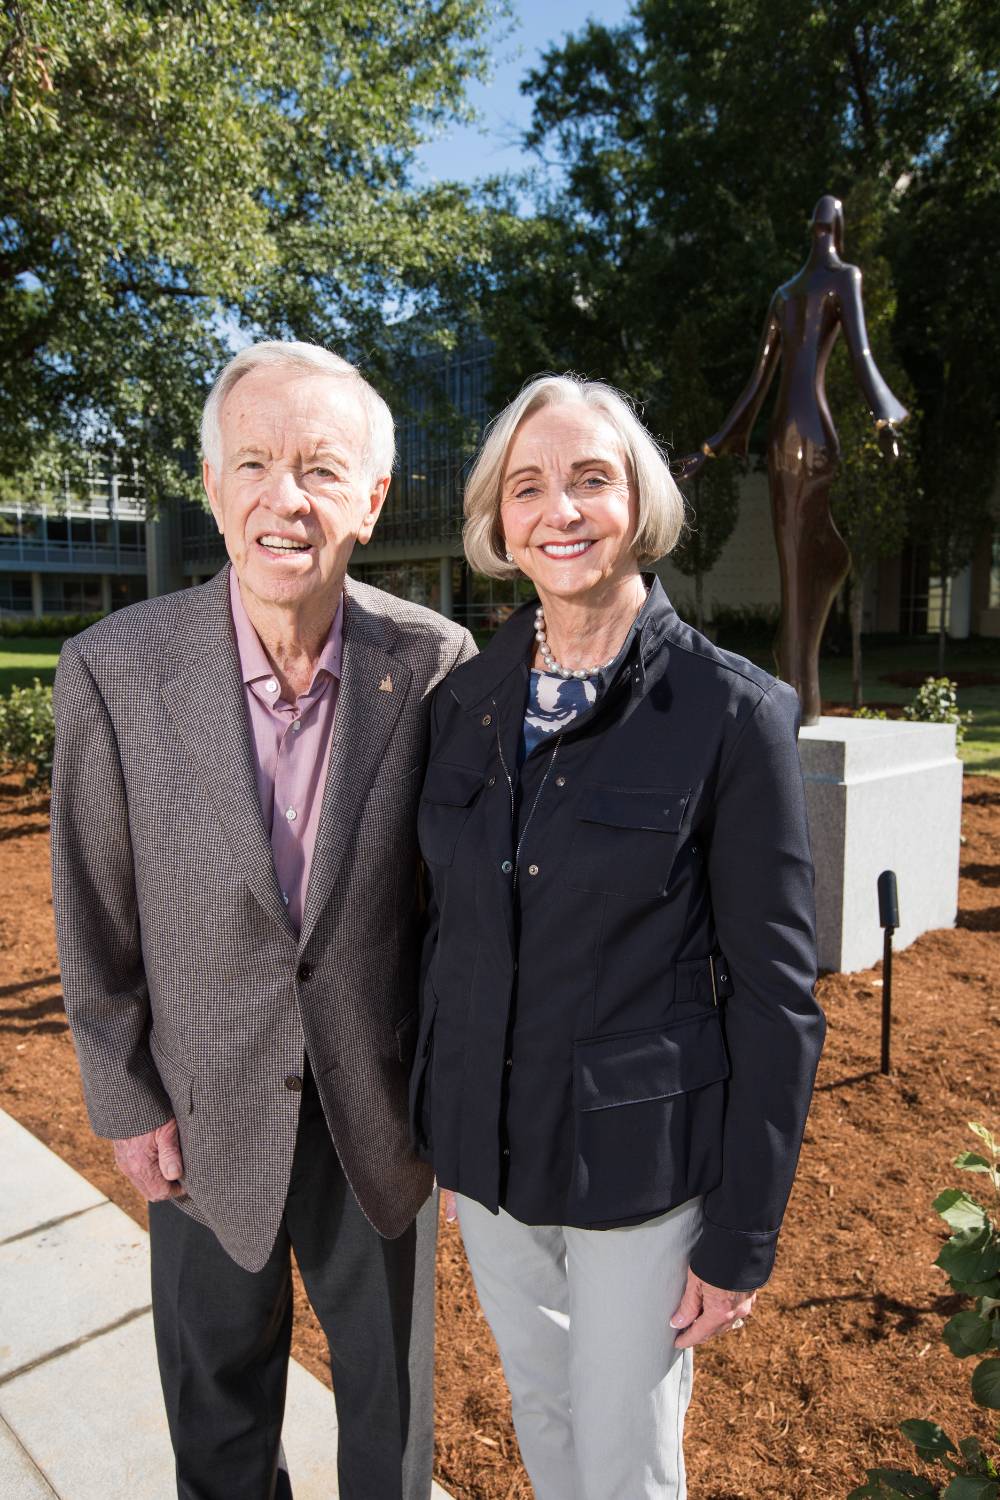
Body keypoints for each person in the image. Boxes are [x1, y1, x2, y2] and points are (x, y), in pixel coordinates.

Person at [50, 340, 475, 1500]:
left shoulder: (436, 664)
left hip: (377, 1127)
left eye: (321, 470)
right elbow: (91, 907)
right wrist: (125, 1098)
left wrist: (448, 1091)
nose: (284, 499)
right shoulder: (114, 670)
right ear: (211, 484)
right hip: (195, 1125)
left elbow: (457, 917)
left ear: (373, 500)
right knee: (219, 1423)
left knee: (389, 1429)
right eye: (254, 464)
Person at [410, 374, 825, 1499]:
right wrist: (443, 1122)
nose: (561, 509)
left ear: (638, 500)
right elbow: (446, 931)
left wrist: (741, 1234)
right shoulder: (466, 701)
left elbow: (778, 995)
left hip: (637, 1168)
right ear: (499, 519)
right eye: (528, 485)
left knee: (623, 1458)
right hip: (488, 1155)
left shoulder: (730, 712)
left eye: (591, 478)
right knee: (543, 1418)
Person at [675, 193, 909, 725]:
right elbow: (861, 354)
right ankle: (800, 686)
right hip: (816, 432)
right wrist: (884, 420)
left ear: (812, 228)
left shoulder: (785, 293)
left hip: (783, 436)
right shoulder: (842, 279)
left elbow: (758, 386)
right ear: (837, 228)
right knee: (803, 558)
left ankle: (796, 679)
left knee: (799, 557)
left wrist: (711, 448)